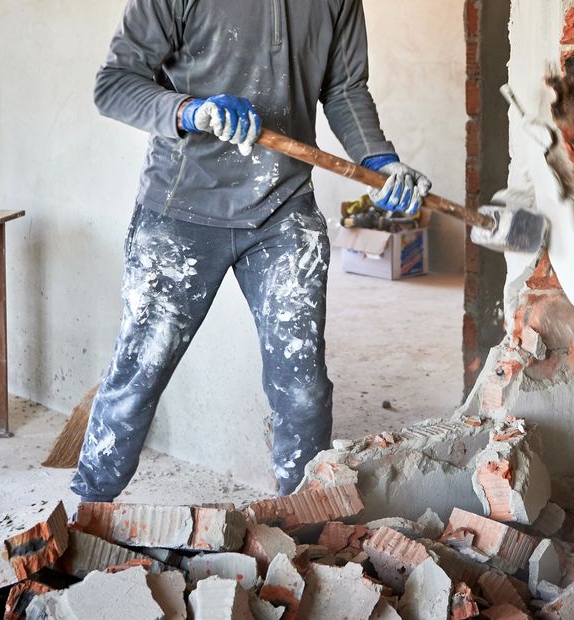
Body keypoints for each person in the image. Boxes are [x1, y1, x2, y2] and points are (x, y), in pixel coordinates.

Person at [71, 0, 430, 502]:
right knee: (138, 375)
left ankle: (306, 517)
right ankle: (89, 511)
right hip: (181, 210)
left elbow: (345, 88)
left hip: (284, 211)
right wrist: (191, 110)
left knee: (302, 386)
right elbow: (114, 85)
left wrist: (381, 161)